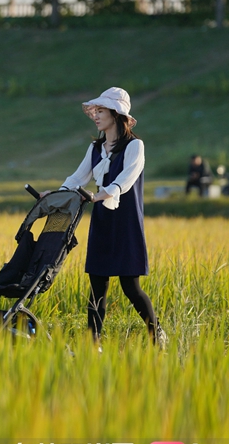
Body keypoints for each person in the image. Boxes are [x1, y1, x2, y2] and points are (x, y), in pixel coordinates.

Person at [50, 87, 167, 347]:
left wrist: (100, 195)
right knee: (97, 286)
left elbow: (125, 181)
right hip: (102, 221)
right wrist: (55, 194)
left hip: (126, 223)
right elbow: (77, 178)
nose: (95, 115)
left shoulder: (135, 146)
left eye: (101, 110)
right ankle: (94, 344)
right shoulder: (95, 148)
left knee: (130, 286)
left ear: (116, 114)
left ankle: (156, 334)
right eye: (95, 111)